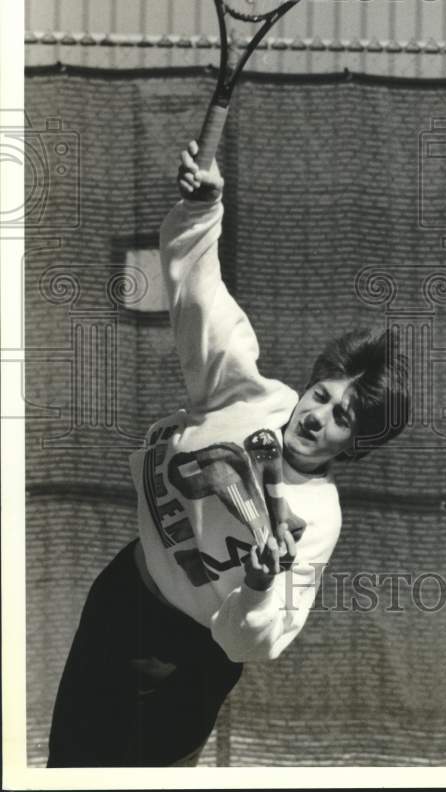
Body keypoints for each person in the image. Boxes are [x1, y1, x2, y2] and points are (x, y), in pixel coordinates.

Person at [47, 140, 409, 767]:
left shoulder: (316, 519)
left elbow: (256, 643)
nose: (317, 415)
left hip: (183, 665)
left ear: (356, 443)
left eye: (341, 417)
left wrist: (262, 586)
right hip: (121, 599)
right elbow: (199, 303)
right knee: (65, 770)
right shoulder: (251, 396)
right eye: (321, 395)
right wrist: (204, 209)